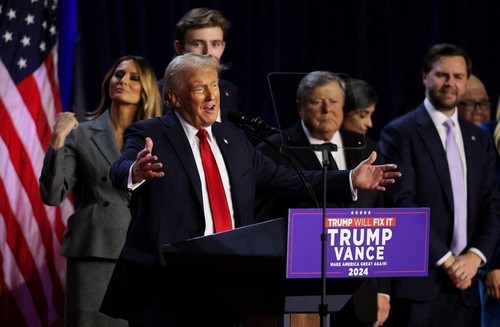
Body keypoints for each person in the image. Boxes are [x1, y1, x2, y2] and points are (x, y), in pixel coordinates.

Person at [99, 53, 401, 327]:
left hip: (228, 279)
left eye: (214, 86)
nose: (211, 96)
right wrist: (135, 171)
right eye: (198, 88)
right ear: (174, 98)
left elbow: (289, 178)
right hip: (168, 281)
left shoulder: (235, 140)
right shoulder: (150, 133)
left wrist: (349, 179)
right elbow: (119, 170)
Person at [378, 43, 500, 327]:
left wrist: (474, 257)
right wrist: (448, 261)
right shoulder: (399, 133)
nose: (450, 83)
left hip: (466, 287)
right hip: (420, 284)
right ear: (425, 77)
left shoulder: (478, 139)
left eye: (458, 76)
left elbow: (492, 206)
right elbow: (403, 205)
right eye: (442, 75)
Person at [255, 71, 389, 327]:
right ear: (300, 106)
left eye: (334, 102)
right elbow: (263, 223)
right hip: (300, 295)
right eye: (317, 102)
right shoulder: (273, 150)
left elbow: (379, 222)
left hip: (361, 296)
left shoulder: (367, 148)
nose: (327, 109)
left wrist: (382, 290)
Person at [39, 55, 162, 326]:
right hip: (94, 248)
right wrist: (57, 139)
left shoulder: (159, 136)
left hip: (142, 250)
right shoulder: (82, 133)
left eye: (133, 77)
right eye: (118, 75)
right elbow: (52, 195)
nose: (123, 81)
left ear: (146, 90)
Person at [158, 7, 239, 121]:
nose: (208, 53)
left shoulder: (229, 90)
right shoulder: (157, 92)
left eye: (215, 44)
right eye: (197, 44)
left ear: (223, 47)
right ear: (179, 48)